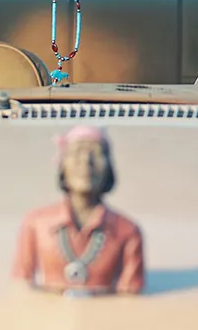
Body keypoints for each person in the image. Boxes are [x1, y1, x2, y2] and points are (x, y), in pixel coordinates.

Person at [12, 125, 145, 296]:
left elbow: (130, 298)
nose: (85, 162)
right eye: (76, 153)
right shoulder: (35, 223)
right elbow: (21, 288)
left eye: (96, 154)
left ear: (109, 167)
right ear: (62, 165)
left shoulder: (128, 231)